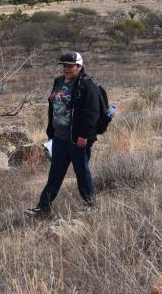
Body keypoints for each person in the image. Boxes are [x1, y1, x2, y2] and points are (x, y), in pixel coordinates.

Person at [25, 52, 99, 218]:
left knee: (82, 172)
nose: (66, 69)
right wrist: (50, 131)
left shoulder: (86, 85)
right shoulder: (58, 81)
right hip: (59, 137)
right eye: (64, 65)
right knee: (55, 173)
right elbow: (53, 106)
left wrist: (84, 135)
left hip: (77, 138)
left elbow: (92, 112)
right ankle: (43, 207)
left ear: (79, 67)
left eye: (70, 66)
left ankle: (91, 204)